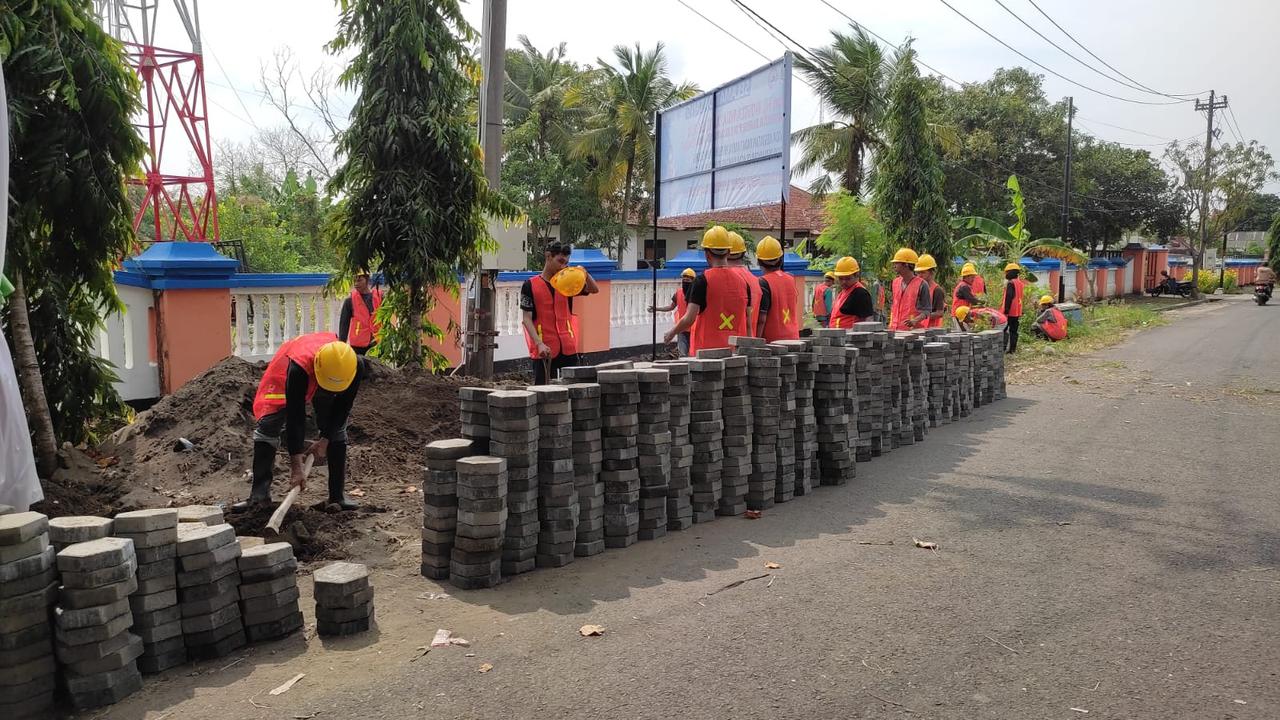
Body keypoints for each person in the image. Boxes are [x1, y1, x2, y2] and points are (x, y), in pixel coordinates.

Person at [238, 333, 362, 510]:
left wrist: (325, 440)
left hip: (328, 372)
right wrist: (297, 466)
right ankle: (259, 496)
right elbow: (296, 415)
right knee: (269, 423)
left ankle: (337, 497)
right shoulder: (298, 368)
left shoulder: (354, 367)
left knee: (337, 428)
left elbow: (343, 408)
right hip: (292, 366)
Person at [520, 241, 600, 384]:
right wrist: (539, 344)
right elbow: (526, 319)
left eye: (566, 263)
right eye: (560, 261)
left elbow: (594, 289)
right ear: (548, 256)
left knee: (573, 388)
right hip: (544, 348)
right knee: (543, 390)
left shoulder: (567, 283)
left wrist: (584, 273)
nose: (563, 266)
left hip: (567, 345)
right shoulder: (530, 285)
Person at [664, 225, 751, 354]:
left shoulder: (702, 281)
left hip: (706, 354)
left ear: (707, 254)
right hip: (735, 353)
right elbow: (748, 322)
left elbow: (689, 318)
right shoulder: (744, 283)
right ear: (728, 252)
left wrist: (671, 333)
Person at [755, 236, 800, 341]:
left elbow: (762, 319)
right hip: (794, 339)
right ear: (780, 259)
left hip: (773, 343)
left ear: (759, 261)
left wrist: (756, 342)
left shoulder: (763, 282)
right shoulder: (790, 279)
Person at [649, 267, 697, 356]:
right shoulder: (678, 293)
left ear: (693, 281)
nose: (685, 281)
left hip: (695, 328)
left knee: (693, 354)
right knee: (683, 354)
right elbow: (671, 307)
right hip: (682, 328)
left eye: (688, 280)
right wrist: (657, 309)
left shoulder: (696, 294)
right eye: (684, 279)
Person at [337, 271, 382, 355]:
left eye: (359, 280)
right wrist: (341, 346)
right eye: (355, 281)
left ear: (367, 280)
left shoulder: (379, 297)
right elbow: (344, 324)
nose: (356, 284)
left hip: (377, 343)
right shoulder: (349, 301)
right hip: (358, 345)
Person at [887, 248, 932, 331]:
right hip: (894, 330)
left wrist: (915, 320)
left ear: (906, 265)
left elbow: (927, 310)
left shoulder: (922, 284)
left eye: (897, 263)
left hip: (912, 333)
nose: (894, 266)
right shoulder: (895, 283)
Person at [726, 231, 761, 336]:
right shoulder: (756, 280)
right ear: (743, 253)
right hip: (750, 343)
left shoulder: (723, 278)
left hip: (725, 344)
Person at [827, 256, 875, 329]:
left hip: (850, 338)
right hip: (838, 337)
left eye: (847, 278)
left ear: (856, 275)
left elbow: (868, 320)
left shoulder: (860, 293)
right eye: (841, 278)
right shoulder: (843, 292)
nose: (844, 282)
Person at [914, 254, 946, 328]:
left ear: (931, 272)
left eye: (923, 272)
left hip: (931, 329)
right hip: (917, 327)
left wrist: (922, 316)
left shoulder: (937, 290)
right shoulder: (916, 288)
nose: (919, 275)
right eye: (918, 273)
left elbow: (940, 313)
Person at [1001, 262, 1026, 353]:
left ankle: (1003, 348)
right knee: (1014, 331)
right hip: (1017, 311)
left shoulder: (1011, 283)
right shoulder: (1020, 283)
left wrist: (1006, 310)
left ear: (1010, 272)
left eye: (1006, 272)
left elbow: (1009, 297)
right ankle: (1012, 349)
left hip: (1010, 311)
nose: (1005, 274)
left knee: (1004, 329)